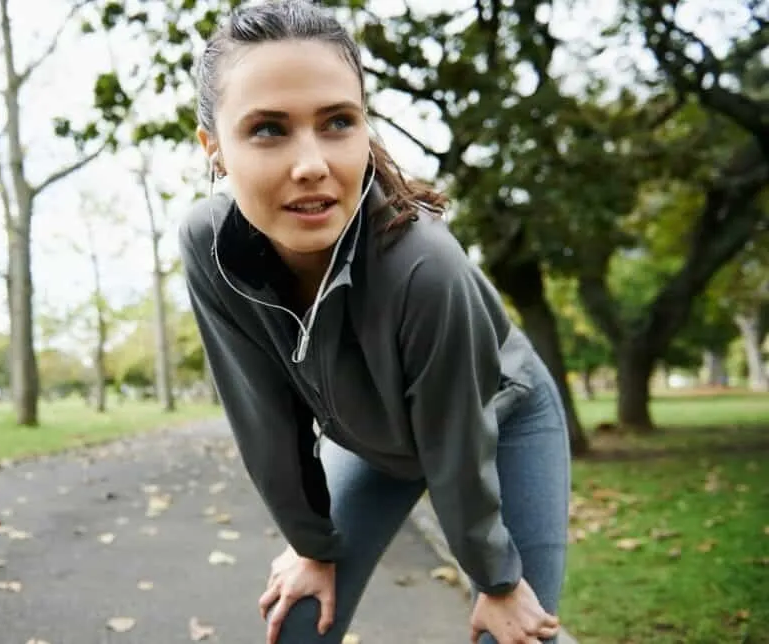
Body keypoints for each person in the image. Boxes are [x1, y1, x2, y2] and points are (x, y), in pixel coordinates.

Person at [177, 1, 571, 642]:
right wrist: (311, 545)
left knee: (516, 633)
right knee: (298, 619)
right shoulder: (208, 246)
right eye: (268, 130)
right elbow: (264, 419)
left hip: (498, 421)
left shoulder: (425, 264)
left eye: (337, 122)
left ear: (365, 128)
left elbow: (456, 440)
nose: (311, 164)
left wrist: (496, 580)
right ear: (214, 149)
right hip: (378, 444)